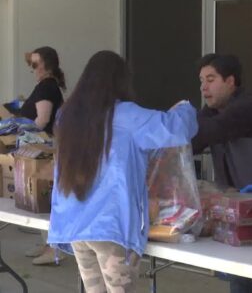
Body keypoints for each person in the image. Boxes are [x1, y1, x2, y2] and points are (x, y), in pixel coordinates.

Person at [47, 50, 198, 293]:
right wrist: (186, 108)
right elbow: (177, 128)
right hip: (111, 227)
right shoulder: (128, 115)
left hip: (74, 223)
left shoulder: (67, 115)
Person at [192, 53, 252, 293]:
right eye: (201, 81)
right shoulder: (211, 113)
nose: (204, 87)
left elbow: (208, 132)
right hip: (239, 209)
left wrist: (181, 119)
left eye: (211, 79)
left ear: (230, 81)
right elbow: (192, 142)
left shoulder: (247, 110)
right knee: (239, 273)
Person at [21, 46, 65, 265]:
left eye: (36, 64)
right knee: (39, 198)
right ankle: (47, 244)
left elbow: (42, 120)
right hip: (42, 150)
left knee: (44, 197)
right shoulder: (45, 86)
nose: (33, 68)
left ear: (47, 65)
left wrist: (18, 129)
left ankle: (53, 249)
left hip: (45, 150)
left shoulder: (47, 88)